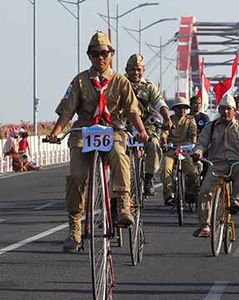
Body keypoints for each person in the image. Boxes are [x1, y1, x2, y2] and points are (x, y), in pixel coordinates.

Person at [46, 31, 148, 252]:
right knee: (76, 175)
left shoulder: (121, 81)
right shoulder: (80, 81)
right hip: (84, 131)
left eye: (104, 53)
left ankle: (123, 204)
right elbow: (67, 112)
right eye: (95, 54)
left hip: (113, 130)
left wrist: (141, 132)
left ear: (111, 55)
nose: (100, 58)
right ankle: (74, 228)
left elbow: (132, 111)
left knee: (121, 156)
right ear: (89, 56)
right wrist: (55, 133)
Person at [191, 94, 239, 237]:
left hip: (237, 163)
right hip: (216, 164)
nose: (226, 112)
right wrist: (198, 152)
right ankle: (205, 225)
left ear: (234, 111)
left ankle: (236, 201)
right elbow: (201, 143)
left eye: (229, 109)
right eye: (223, 109)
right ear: (219, 109)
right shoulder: (212, 126)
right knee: (205, 191)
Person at [125, 53, 172, 196]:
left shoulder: (149, 87)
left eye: (139, 69)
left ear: (143, 70)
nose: (136, 72)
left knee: (154, 144)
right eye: (132, 69)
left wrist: (167, 119)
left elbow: (160, 103)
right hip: (124, 127)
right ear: (126, 69)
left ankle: (148, 177)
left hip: (146, 128)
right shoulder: (120, 84)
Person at [161, 96, 199, 205]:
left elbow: (193, 133)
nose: (181, 110)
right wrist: (164, 142)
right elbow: (164, 134)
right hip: (172, 149)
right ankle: (169, 194)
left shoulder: (190, 120)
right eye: (179, 108)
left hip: (185, 150)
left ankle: (190, 192)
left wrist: (193, 144)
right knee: (166, 169)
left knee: (193, 172)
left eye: (184, 108)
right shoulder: (170, 120)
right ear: (175, 109)